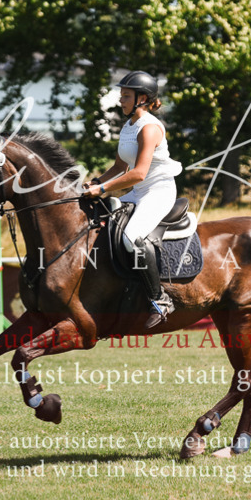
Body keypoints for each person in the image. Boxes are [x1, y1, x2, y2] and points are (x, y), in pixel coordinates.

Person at [84, 71, 182, 328]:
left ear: (143, 99)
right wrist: (96, 183)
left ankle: (159, 299)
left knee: (130, 237)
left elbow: (138, 173)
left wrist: (103, 189)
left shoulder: (149, 128)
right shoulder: (128, 126)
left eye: (126, 95)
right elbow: (119, 167)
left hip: (158, 191)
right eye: (122, 94)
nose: (121, 99)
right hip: (138, 190)